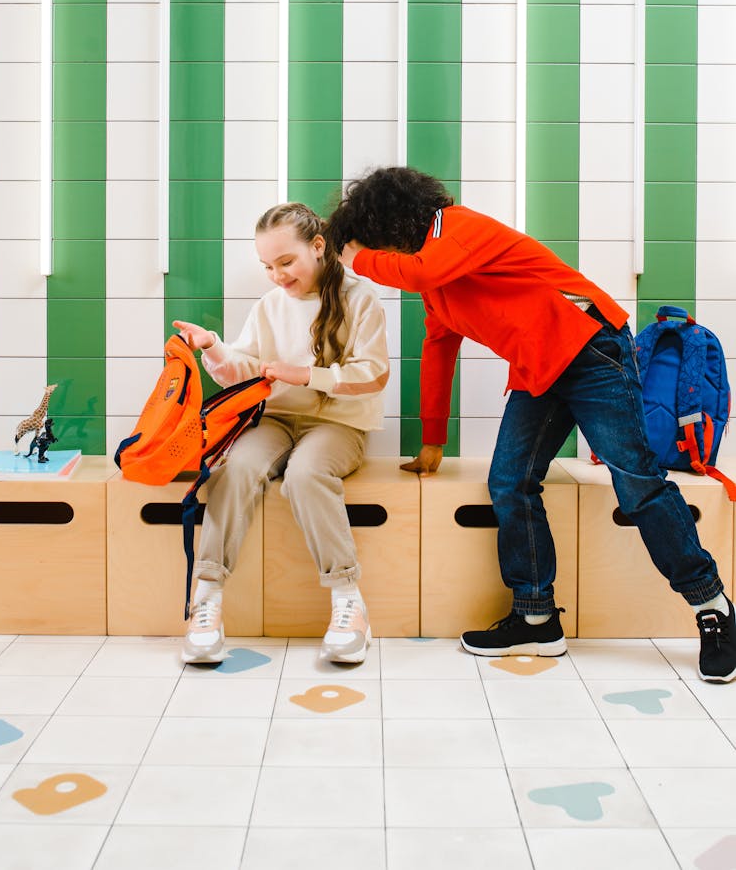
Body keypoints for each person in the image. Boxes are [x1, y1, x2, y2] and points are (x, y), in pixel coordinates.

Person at [326, 166, 736, 684]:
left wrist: (351, 253)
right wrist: (433, 439)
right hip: (538, 371)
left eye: (375, 247)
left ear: (389, 226)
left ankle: (712, 606)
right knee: (510, 483)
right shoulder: (438, 287)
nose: (374, 263)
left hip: (590, 350)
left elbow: (420, 271)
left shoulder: (455, 228)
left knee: (638, 485)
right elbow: (438, 347)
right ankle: (536, 618)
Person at [174, 202, 389, 667]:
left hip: (338, 423)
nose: (277, 276)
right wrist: (214, 346)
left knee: (306, 474)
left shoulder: (360, 300)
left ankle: (348, 603)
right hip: (272, 420)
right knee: (233, 470)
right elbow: (247, 373)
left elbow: (373, 375)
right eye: (268, 266)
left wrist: (305, 374)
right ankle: (206, 601)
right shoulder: (270, 305)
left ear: (318, 246)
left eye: (285, 262)